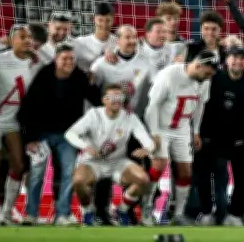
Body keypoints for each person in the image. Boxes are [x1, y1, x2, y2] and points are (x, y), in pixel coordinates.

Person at [18, 41, 101, 225]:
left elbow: (97, 101)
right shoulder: (43, 76)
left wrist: (96, 84)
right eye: (65, 59)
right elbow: (27, 108)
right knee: (37, 174)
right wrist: (29, 138)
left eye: (72, 59)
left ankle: (62, 214)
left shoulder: (80, 77)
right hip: (41, 134)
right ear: (56, 59)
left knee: (68, 173)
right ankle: (31, 214)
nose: (69, 62)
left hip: (68, 136)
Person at [143, 50, 218, 225]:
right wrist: (153, 133)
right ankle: (146, 209)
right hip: (161, 127)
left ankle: (177, 214)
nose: (209, 77)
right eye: (207, 72)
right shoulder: (169, 76)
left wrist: (196, 130)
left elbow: (200, 105)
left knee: (185, 172)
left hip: (182, 128)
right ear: (198, 65)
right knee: (158, 166)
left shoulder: (204, 80)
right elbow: (151, 107)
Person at [195, 46, 244, 226]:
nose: (237, 61)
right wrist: (199, 134)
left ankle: (237, 213)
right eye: (233, 57)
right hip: (211, 139)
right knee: (202, 174)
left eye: (241, 58)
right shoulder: (212, 80)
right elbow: (199, 107)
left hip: (239, 142)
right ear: (226, 60)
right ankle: (205, 212)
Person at [65, 83, 155, 226]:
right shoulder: (94, 114)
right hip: (93, 162)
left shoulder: (129, 117)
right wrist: (85, 146)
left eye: (120, 96)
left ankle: (121, 210)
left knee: (143, 180)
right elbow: (70, 133)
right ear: (104, 100)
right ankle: (88, 211)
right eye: (112, 96)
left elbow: (147, 140)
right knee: (78, 181)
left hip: (117, 162)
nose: (117, 100)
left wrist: (147, 149)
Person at [0, 24, 40, 224]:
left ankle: (6, 213)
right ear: (12, 40)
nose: (27, 40)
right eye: (22, 37)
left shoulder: (36, 62)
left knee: (19, 165)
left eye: (29, 37)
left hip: (14, 122)